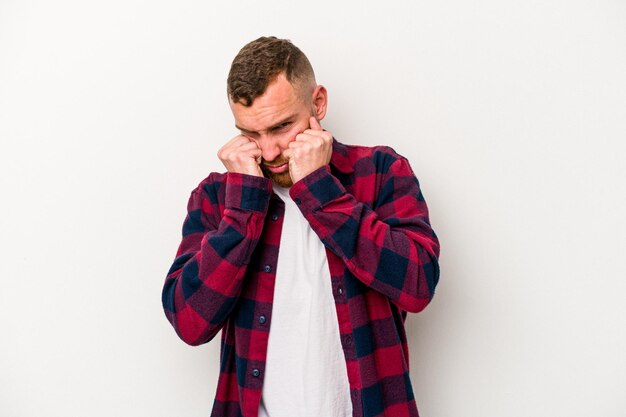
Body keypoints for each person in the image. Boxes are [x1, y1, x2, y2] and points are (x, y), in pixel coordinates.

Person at [162, 36, 441, 417]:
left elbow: (418, 284)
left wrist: (320, 192)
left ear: (318, 103)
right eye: (251, 134)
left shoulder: (379, 173)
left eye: (281, 126)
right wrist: (244, 206)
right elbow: (190, 323)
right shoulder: (217, 196)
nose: (270, 151)